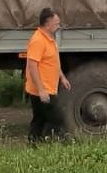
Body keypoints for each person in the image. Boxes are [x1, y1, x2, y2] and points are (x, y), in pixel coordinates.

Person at [23, 7, 71, 142]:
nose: (58, 26)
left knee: (39, 119)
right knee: (57, 118)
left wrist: (62, 77)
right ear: (47, 23)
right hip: (41, 90)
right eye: (56, 24)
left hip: (48, 87)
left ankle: (34, 143)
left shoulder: (49, 39)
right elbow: (32, 66)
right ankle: (54, 143)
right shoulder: (38, 40)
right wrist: (41, 90)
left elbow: (53, 61)